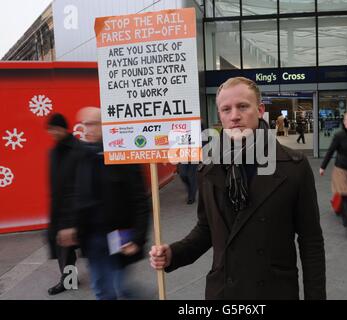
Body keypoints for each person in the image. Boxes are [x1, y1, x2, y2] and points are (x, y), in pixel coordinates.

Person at [150, 77, 326, 300]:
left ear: (260, 109)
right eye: (226, 109)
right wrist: (173, 253)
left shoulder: (294, 167)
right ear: (220, 115)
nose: (234, 116)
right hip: (223, 291)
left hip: (273, 291)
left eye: (243, 106)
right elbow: (207, 229)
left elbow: (311, 242)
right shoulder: (208, 167)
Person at [57, 107, 151, 300]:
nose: (86, 128)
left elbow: (140, 200)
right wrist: (68, 225)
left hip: (119, 234)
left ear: (104, 125)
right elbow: (73, 194)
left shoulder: (123, 154)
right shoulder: (81, 155)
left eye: (91, 124)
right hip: (92, 238)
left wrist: (138, 237)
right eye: (83, 124)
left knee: (120, 287)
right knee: (101, 288)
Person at [46, 113, 79, 295]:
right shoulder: (54, 152)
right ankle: (69, 280)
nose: (51, 133)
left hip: (76, 209)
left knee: (71, 246)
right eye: (49, 129)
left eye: (54, 129)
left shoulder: (77, 150)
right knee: (64, 249)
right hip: (61, 209)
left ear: (62, 128)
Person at [319, 112, 347, 236]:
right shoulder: (339, 136)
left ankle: (345, 213)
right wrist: (323, 167)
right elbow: (331, 150)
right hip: (341, 169)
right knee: (346, 194)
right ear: (344, 122)